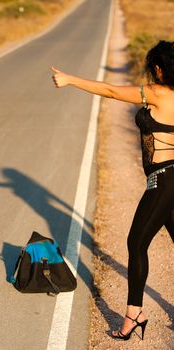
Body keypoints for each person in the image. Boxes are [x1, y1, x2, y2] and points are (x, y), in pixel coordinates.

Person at [52, 40, 174, 341]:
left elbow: (110, 91)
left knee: (136, 242)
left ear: (158, 68)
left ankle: (134, 315)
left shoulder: (157, 93)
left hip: (164, 179)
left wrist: (69, 79)